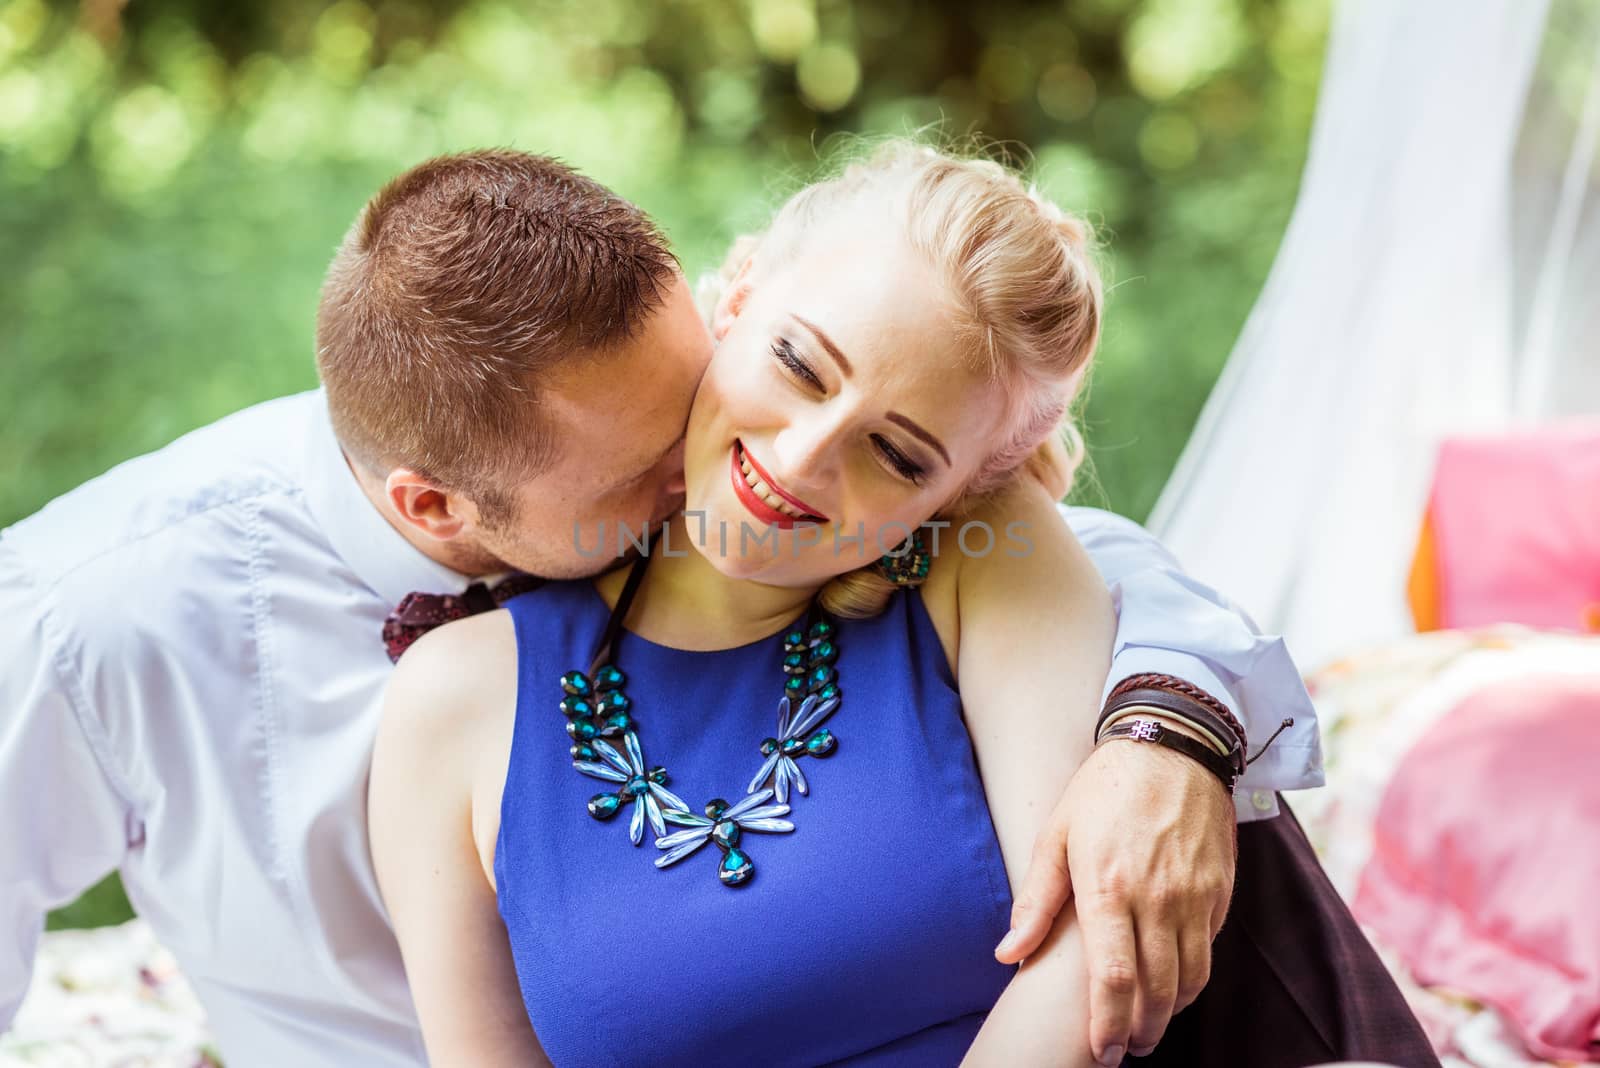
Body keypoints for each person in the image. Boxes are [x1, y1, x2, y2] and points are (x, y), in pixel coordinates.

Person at [0, 147, 1333, 1067]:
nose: (764, 477)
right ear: (436, 514)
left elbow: (1069, 549)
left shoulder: (946, 531)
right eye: (652, 480)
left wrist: (1171, 724)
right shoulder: (96, 618)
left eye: (700, 385)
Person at [371, 143, 1437, 1066]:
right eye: (797, 363)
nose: (800, 459)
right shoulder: (455, 700)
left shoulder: (990, 563)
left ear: (963, 489)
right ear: (734, 301)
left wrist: (1174, 729)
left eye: (895, 452)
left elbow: (1083, 963)